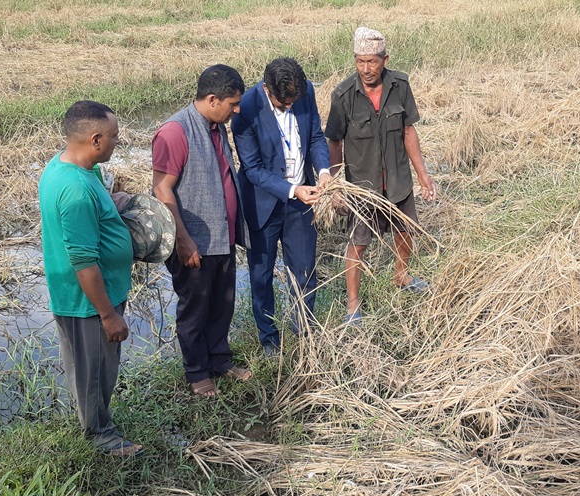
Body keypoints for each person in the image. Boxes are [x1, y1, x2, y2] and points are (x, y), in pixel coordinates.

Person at [38, 100, 142, 457]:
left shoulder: (71, 168)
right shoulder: (77, 191)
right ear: (96, 139)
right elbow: (83, 261)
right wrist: (108, 314)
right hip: (87, 300)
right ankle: (102, 438)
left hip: (92, 295)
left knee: (91, 367)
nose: (117, 142)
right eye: (114, 137)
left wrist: (112, 203)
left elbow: (88, 221)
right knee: (93, 371)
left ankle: (97, 426)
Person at [151, 64, 253, 398]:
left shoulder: (215, 125)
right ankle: (197, 373)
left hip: (221, 236)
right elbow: (162, 190)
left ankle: (220, 361)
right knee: (195, 309)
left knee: (222, 304)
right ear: (212, 98)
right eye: (232, 103)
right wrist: (183, 239)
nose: (236, 110)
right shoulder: (175, 132)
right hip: (194, 241)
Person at [325, 26, 438, 324]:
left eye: (372, 61)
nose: (366, 69)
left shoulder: (400, 86)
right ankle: (352, 305)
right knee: (358, 242)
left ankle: (401, 275)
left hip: (398, 180)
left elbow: (408, 130)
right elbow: (334, 141)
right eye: (360, 61)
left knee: (405, 230)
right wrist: (336, 186)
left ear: (384, 59)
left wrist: (423, 174)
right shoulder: (343, 95)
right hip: (364, 185)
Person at [232, 57, 330, 356]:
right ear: (266, 89)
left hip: (302, 201)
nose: (289, 107)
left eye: (293, 101)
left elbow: (314, 136)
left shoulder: (306, 91)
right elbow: (252, 167)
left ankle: (304, 332)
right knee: (261, 276)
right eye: (282, 103)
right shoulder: (245, 107)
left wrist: (324, 172)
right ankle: (269, 340)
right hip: (262, 203)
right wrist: (291, 190)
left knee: (303, 269)